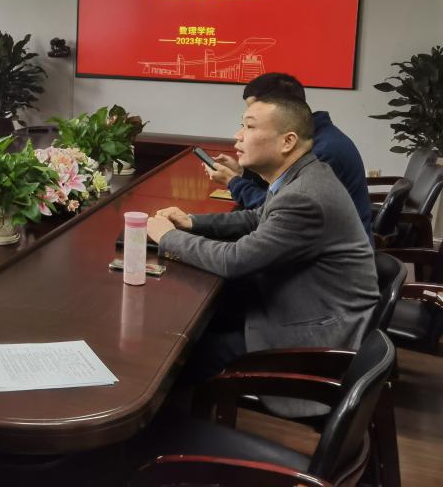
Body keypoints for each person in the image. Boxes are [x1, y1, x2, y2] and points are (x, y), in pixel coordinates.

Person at [147, 95, 378, 402]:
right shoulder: (301, 174)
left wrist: (167, 237)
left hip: (311, 338)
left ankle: (164, 424)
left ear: (287, 141)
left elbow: (234, 260)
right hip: (302, 304)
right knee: (196, 322)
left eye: (250, 127)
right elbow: (257, 217)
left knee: (174, 359)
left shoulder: (304, 195)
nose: (238, 136)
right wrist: (191, 222)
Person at [203, 72, 373, 242]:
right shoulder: (314, 138)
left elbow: (279, 211)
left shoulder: (321, 154)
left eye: (252, 124)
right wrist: (242, 173)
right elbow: (275, 202)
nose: (239, 134)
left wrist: (233, 182)